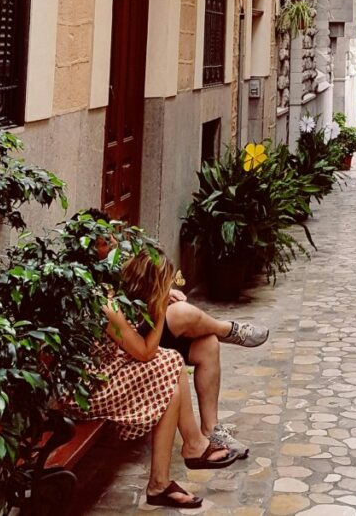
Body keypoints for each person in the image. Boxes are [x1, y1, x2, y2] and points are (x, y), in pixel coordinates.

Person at [70, 250, 240, 509]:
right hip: (87, 391)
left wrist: (160, 301)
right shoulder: (108, 305)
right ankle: (188, 451)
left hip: (104, 372)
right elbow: (145, 351)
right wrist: (161, 306)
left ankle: (162, 480)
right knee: (168, 361)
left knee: (170, 368)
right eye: (164, 284)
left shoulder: (121, 297)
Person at [87, 209, 267, 451]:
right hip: (125, 350)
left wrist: (162, 293)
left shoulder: (117, 258)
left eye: (111, 237)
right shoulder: (88, 281)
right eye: (103, 242)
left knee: (208, 345)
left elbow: (135, 289)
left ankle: (212, 431)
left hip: (133, 333)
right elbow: (140, 347)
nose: (111, 244)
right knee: (181, 314)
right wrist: (160, 302)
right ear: (87, 248)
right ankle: (230, 330)